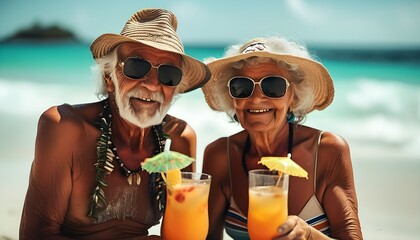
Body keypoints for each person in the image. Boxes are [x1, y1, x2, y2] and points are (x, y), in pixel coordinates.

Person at [19, 8, 210, 239]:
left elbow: (182, 230)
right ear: (109, 78)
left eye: (168, 75)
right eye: (136, 67)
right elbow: (37, 235)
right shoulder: (64, 127)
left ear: (175, 90)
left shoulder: (178, 139)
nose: (151, 85)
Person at [202, 36, 363, 239]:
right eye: (242, 86)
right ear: (232, 98)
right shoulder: (220, 156)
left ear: (293, 96)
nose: (256, 97)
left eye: (273, 86)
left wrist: (309, 235)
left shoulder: (327, 150)